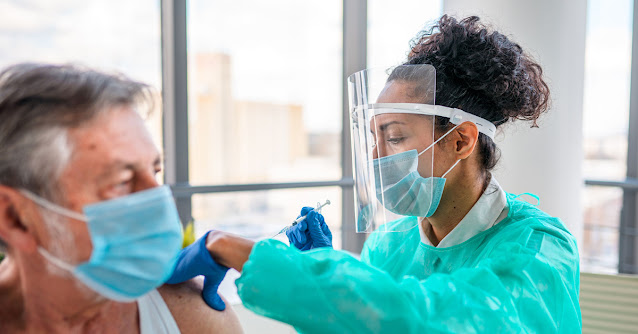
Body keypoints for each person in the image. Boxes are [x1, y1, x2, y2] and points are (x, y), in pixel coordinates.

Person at [168, 15, 581, 333]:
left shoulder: (539, 251)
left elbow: (420, 316)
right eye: (373, 138)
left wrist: (239, 250)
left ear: (461, 141)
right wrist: (324, 268)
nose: (377, 157)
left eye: (396, 136)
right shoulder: (391, 244)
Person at [0, 63, 243, 334]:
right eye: (122, 182)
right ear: (14, 218)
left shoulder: (191, 315)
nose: (162, 204)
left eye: (155, 171)